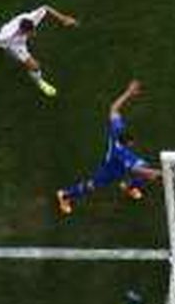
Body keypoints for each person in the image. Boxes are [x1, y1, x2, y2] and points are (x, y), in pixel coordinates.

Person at [56, 80, 161, 215]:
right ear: (127, 144)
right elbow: (140, 171)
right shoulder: (121, 154)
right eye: (131, 143)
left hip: (123, 165)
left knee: (144, 167)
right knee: (91, 186)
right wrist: (159, 174)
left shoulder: (117, 130)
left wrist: (128, 93)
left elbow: (113, 108)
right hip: (111, 170)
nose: (133, 143)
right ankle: (64, 195)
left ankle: (128, 186)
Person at [0, 4, 78, 97]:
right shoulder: (7, 34)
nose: (33, 33)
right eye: (30, 32)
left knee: (35, 67)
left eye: (33, 30)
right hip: (11, 44)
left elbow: (45, 8)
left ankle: (40, 82)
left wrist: (64, 18)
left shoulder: (30, 19)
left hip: (18, 42)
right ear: (22, 31)